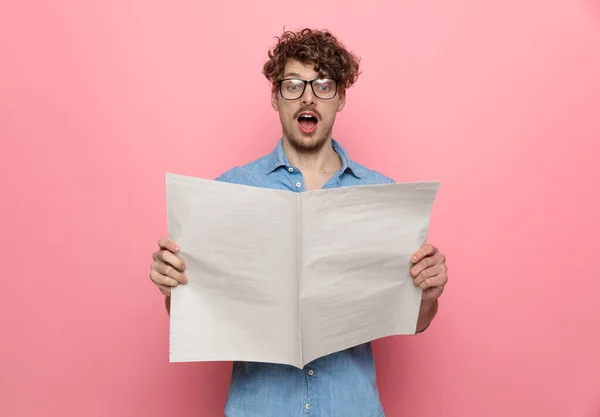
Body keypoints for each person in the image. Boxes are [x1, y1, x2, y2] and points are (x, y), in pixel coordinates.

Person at [149, 28, 449, 417]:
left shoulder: (380, 195)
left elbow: (416, 320)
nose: (308, 96)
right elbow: (198, 310)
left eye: (322, 84)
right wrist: (172, 287)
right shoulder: (231, 191)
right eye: (293, 85)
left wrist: (428, 294)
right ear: (275, 97)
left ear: (340, 97)